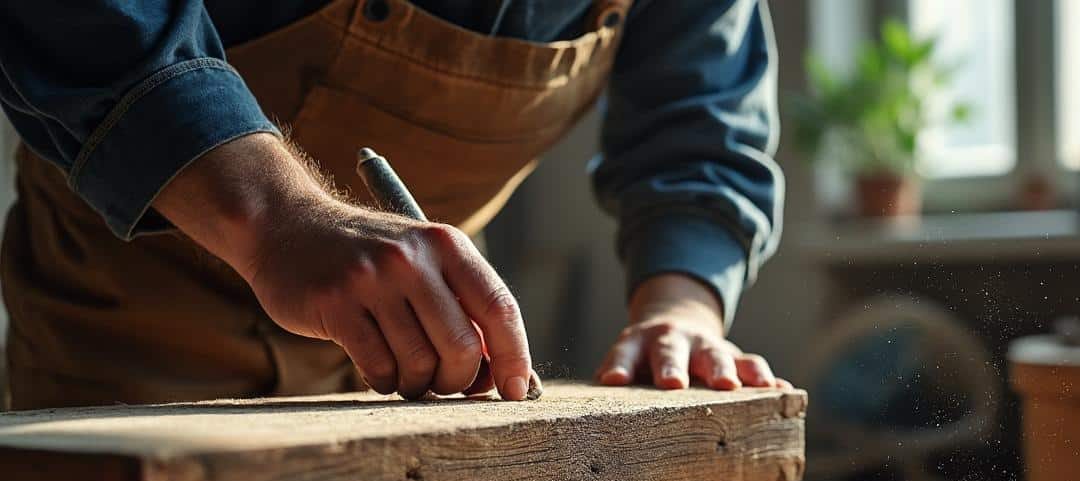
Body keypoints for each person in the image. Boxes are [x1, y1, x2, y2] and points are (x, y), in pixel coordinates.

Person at [0, 0, 785, 410]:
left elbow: (701, 126)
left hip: (428, 371)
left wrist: (681, 308)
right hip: (123, 331)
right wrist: (277, 220)